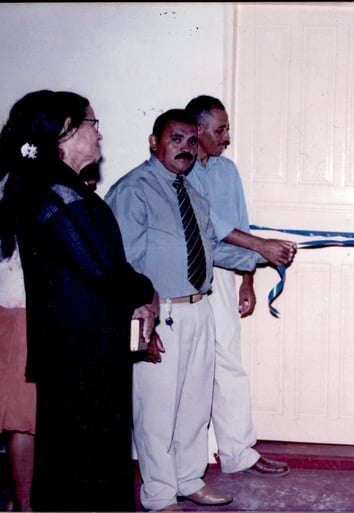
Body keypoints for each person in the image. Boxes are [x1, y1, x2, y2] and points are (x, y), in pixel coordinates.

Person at [0, 90, 157, 511]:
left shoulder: (57, 187)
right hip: (81, 351)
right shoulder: (57, 192)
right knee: (86, 462)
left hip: (81, 346)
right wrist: (147, 291)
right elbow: (101, 267)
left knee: (81, 460)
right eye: (93, 124)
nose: (100, 134)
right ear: (66, 132)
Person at [105, 109, 261, 512]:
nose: (186, 148)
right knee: (156, 411)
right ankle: (159, 495)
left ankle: (189, 479)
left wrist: (261, 254)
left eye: (192, 141)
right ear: (154, 142)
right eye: (176, 139)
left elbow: (212, 250)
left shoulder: (192, 193)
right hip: (158, 313)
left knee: (194, 405)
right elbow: (121, 264)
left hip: (199, 308)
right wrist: (142, 321)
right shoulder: (133, 190)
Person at [185, 95, 294, 478]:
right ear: (198, 130)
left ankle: (238, 454)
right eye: (221, 130)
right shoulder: (179, 170)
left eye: (227, 129)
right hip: (184, 281)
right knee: (193, 372)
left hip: (223, 278)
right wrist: (263, 247)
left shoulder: (227, 171)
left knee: (230, 365)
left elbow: (240, 225)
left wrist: (247, 280)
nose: (227, 137)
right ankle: (188, 465)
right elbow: (210, 225)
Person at [0, 177, 33, 513]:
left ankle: (21, 501)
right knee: (21, 416)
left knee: (23, 415)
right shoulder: (18, 186)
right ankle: (23, 504)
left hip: (23, 309)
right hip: (16, 311)